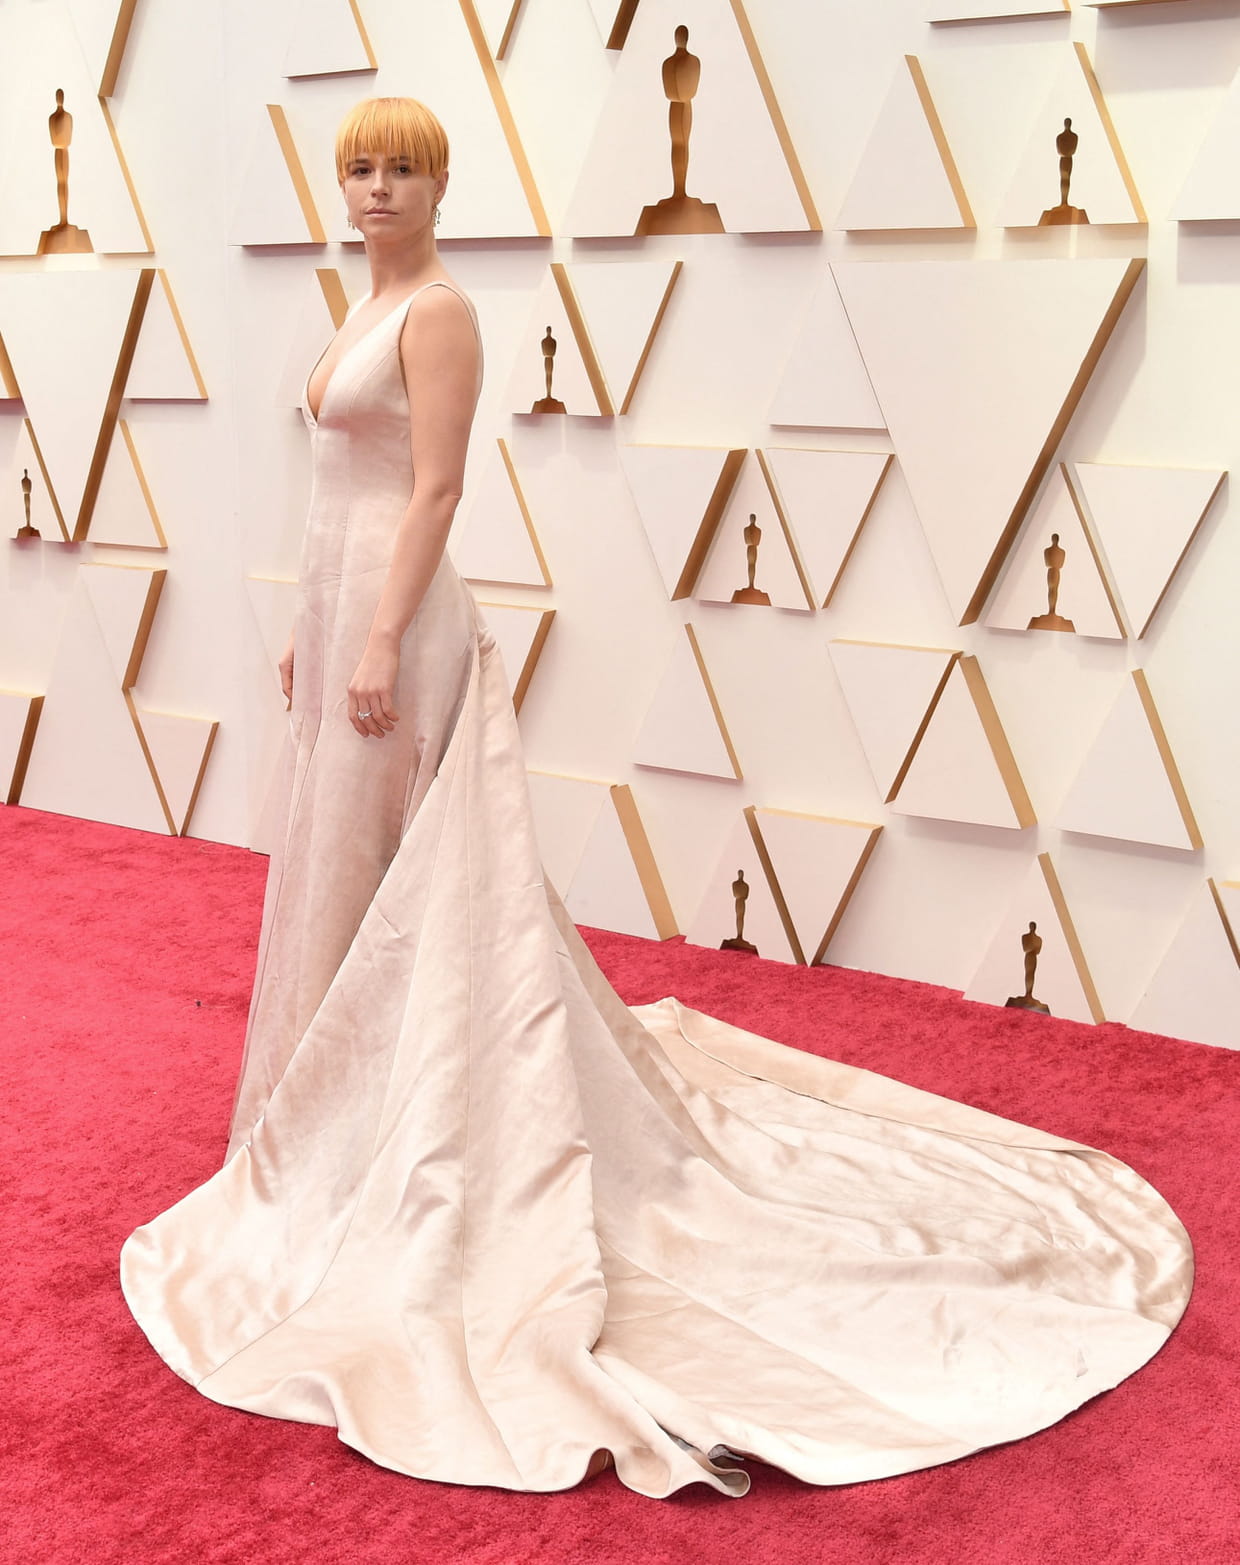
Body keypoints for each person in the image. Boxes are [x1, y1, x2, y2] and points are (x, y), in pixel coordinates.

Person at [121, 98, 1193, 1501]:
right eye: (360, 168)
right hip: (344, 612)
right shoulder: (355, 310)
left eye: (402, 169)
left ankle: (410, 1142)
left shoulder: (438, 315)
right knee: (341, 867)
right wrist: (311, 629)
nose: (377, 188)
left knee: (400, 878)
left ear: (441, 186)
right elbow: (343, 489)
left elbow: (435, 493)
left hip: (400, 623)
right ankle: (334, 1125)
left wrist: (377, 638)